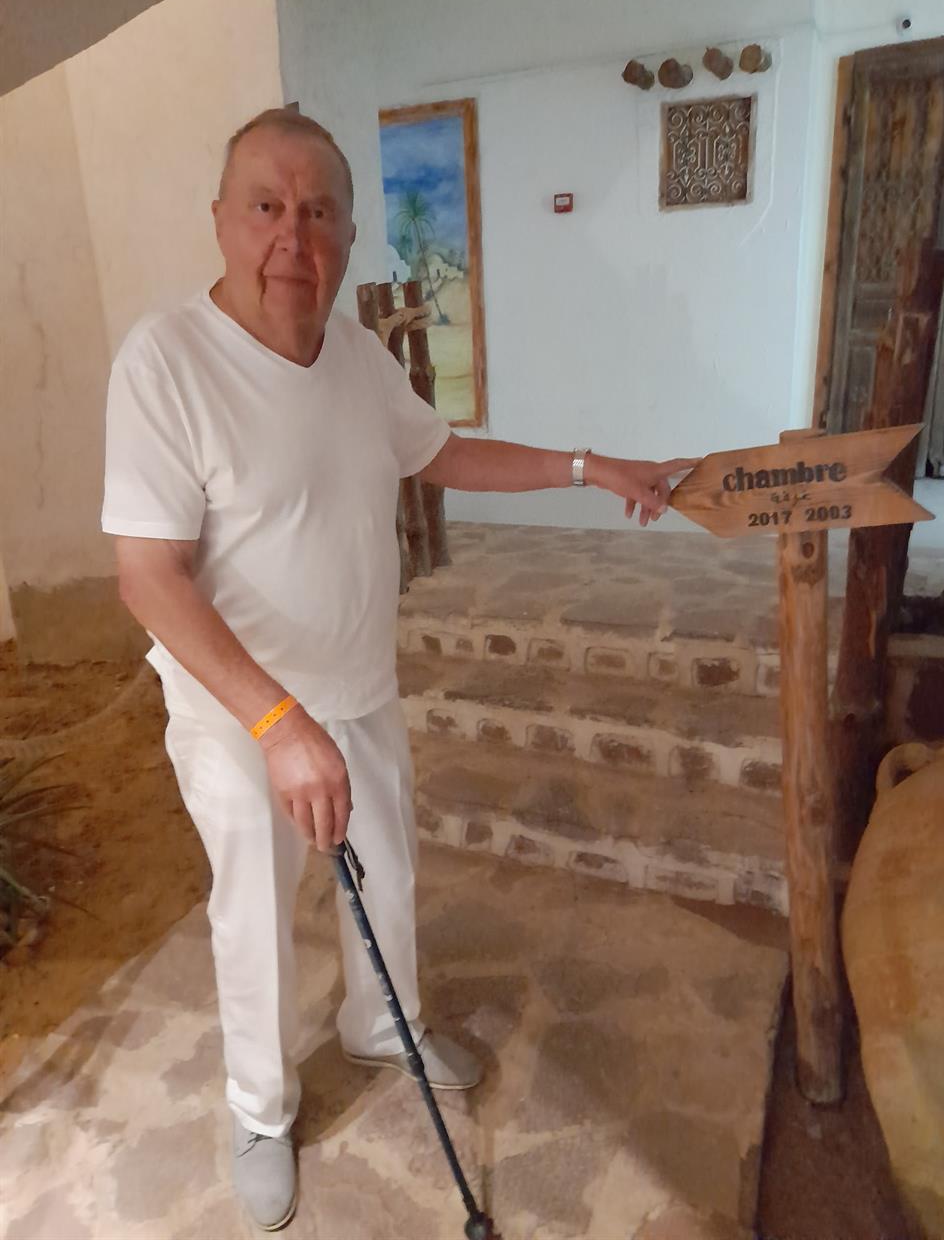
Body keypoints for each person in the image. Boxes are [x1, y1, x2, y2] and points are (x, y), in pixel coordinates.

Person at [101, 107, 695, 1231]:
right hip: (240, 716)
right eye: (266, 207)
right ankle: (261, 1107)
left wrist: (589, 466)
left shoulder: (358, 357)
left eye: (318, 210)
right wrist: (276, 722)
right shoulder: (165, 362)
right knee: (255, 910)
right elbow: (148, 576)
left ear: (347, 232)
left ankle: (382, 1024)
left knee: (388, 876)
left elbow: (443, 452)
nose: (292, 235)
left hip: (357, 686)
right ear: (221, 220)